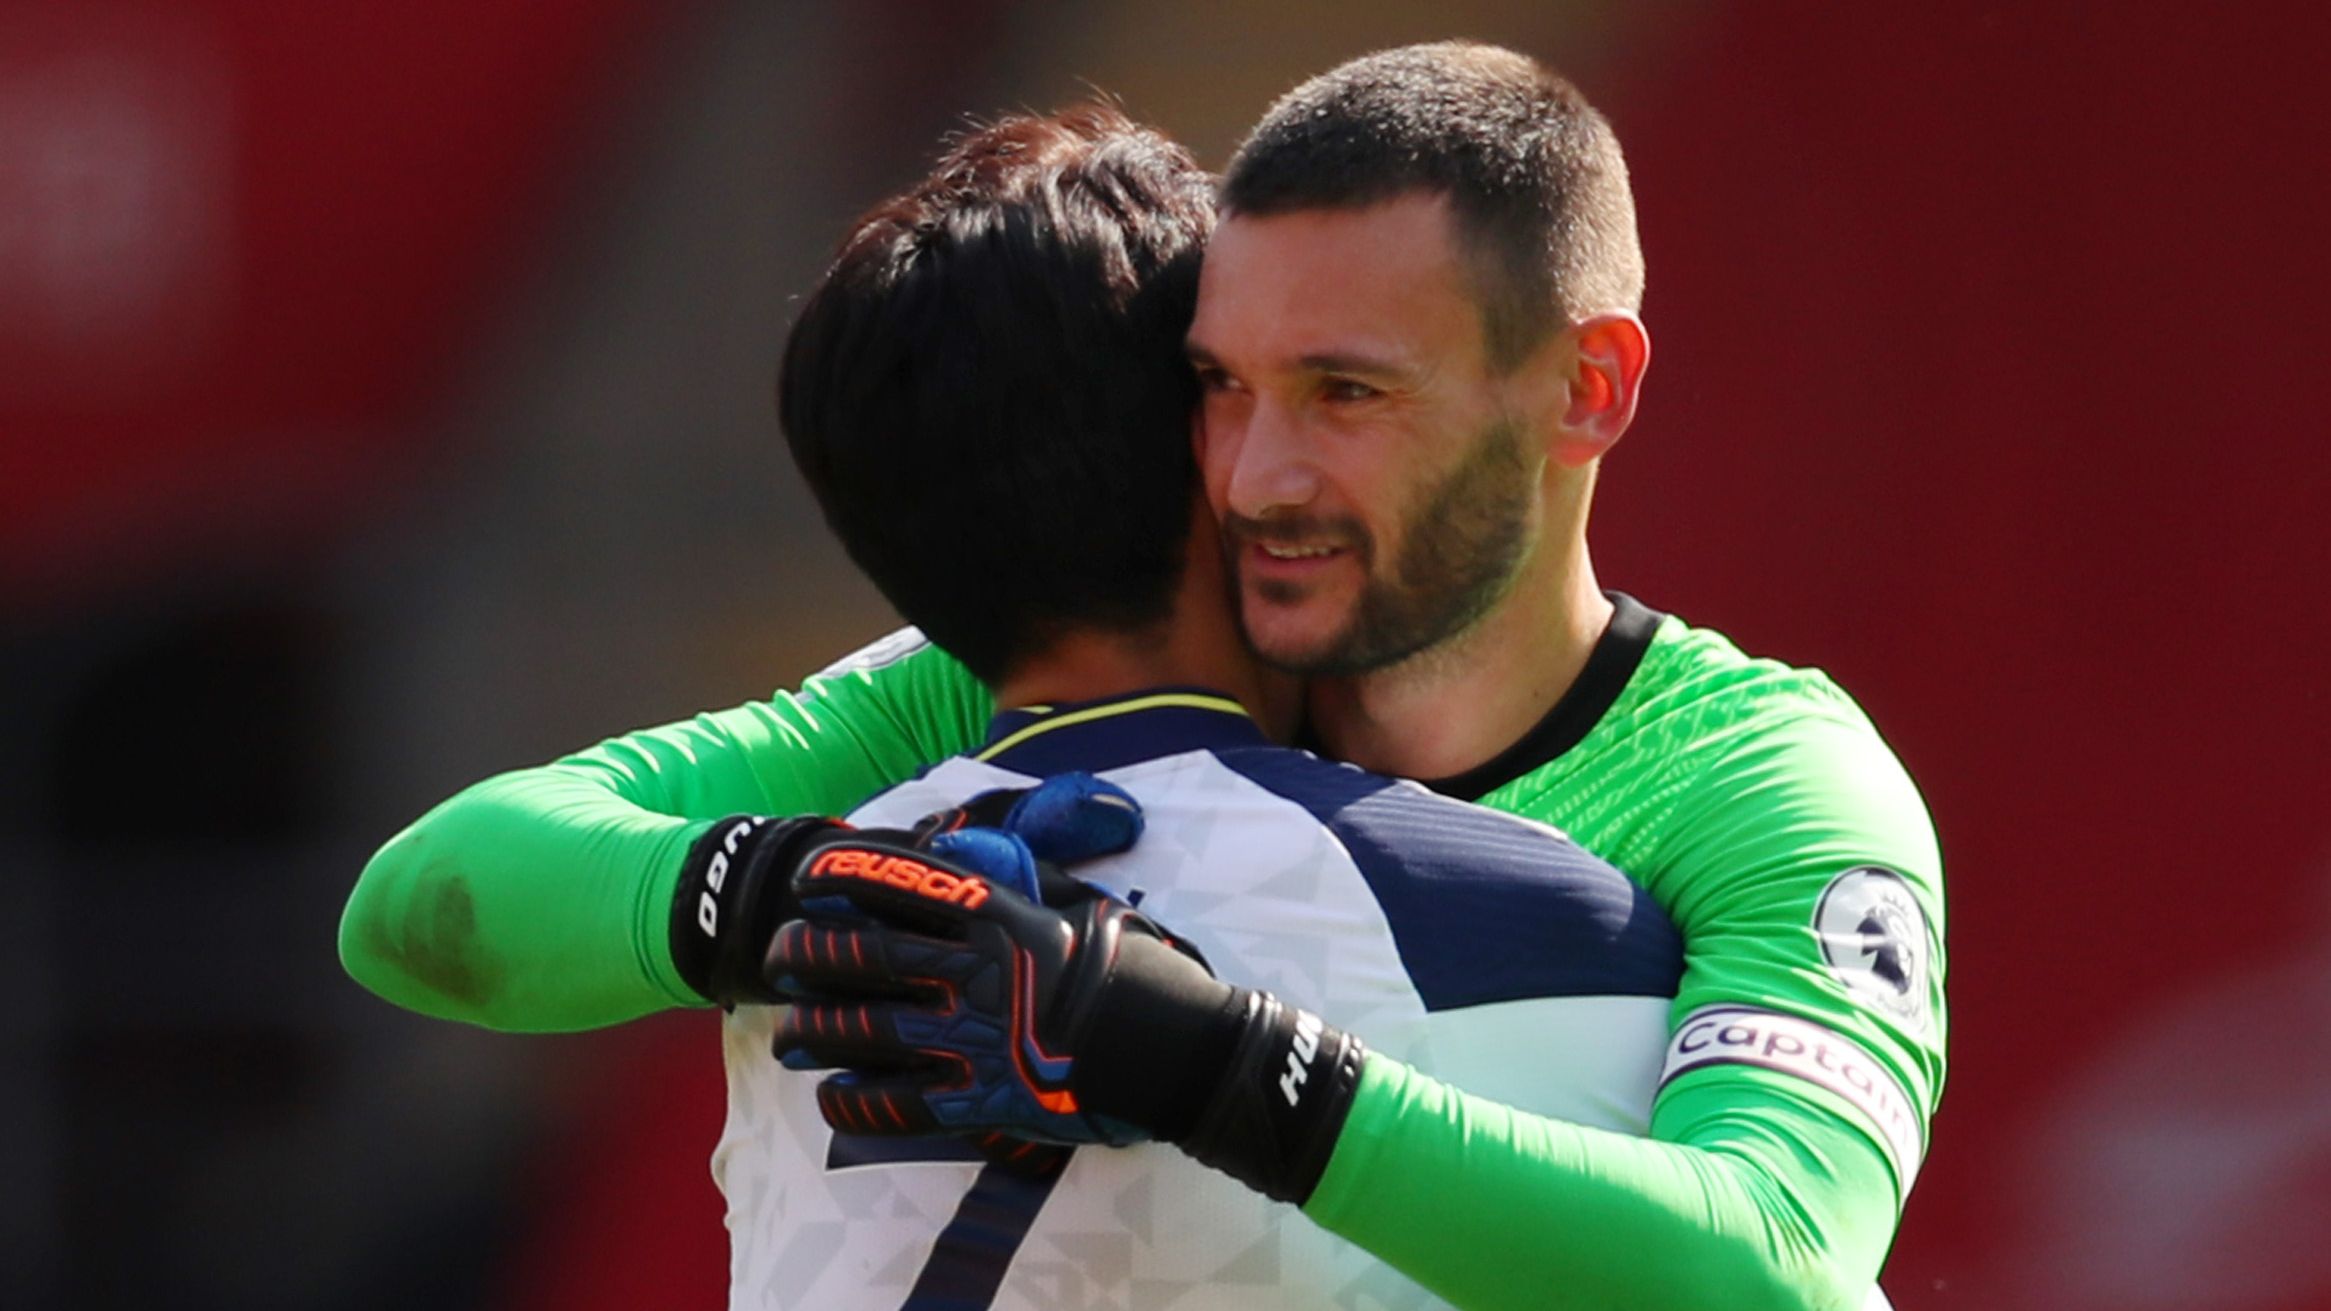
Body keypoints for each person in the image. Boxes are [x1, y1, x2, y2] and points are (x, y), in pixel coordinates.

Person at [342, 41, 1942, 1311]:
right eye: (1220, 386)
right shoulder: (983, 683)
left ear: (1584, 386)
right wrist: (809, 896)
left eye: (1344, 393)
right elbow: (422, 902)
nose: (1255, 474)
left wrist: (1199, 1055)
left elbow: (1778, 1268)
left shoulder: (1750, 775)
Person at [696, 101, 1681, 1309]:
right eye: (1231, 385)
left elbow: (462, 894)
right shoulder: (1533, 921)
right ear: (1206, 461)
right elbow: (1761, 1273)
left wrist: (786, 882)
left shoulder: (785, 976)